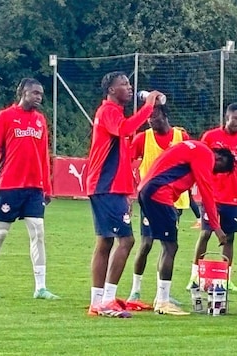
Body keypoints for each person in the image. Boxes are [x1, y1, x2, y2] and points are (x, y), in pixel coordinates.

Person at [86, 71, 163, 318]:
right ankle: (106, 299)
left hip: (111, 187)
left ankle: (97, 301)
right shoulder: (109, 111)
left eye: (130, 84)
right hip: (105, 186)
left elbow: (122, 157)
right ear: (110, 90)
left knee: (105, 242)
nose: (130, 88)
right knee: (126, 241)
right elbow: (124, 128)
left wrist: (127, 193)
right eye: (124, 84)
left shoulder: (114, 113)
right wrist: (148, 106)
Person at [0, 78, 59, 300]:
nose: (39, 97)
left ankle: (40, 287)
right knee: (0, 233)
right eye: (34, 93)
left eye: (41, 94)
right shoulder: (5, 117)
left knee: (38, 232)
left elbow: (43, 156)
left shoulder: (40, 121)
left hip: (34, 188)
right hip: (10, 186)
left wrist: (47, 187)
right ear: (22, 92)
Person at [138, 140, 233, 315]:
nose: (214, 171)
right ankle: (163, 303)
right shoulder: (206, 155)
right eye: (218, 169)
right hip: (159, 192)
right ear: (218, 157)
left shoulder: (192, 147)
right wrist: (217, 228)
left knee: (164, 245)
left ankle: (160, 297)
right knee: (170, 246)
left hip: (147, 188)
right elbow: (206, 192)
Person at [187, 103, 237, 292]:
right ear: (226, 118)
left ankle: (225, 279)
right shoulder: (210, 137)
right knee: (205, 233)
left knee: (229, 238)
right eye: (236, 118)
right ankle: (195, 276)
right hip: (210, 195)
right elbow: (198, 160)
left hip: (232, 199)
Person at [126, 104, 190, 305]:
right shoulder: (143, 138)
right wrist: (130, 192)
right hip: (152, 201)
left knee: (167, 245)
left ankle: (162, 293)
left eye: (154, 116)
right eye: (148, 118)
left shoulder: (182, 138)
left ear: (165, 116)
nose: (151, 120)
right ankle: (135, 290)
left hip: (175, 200)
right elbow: (127, 161)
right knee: (146, 243)